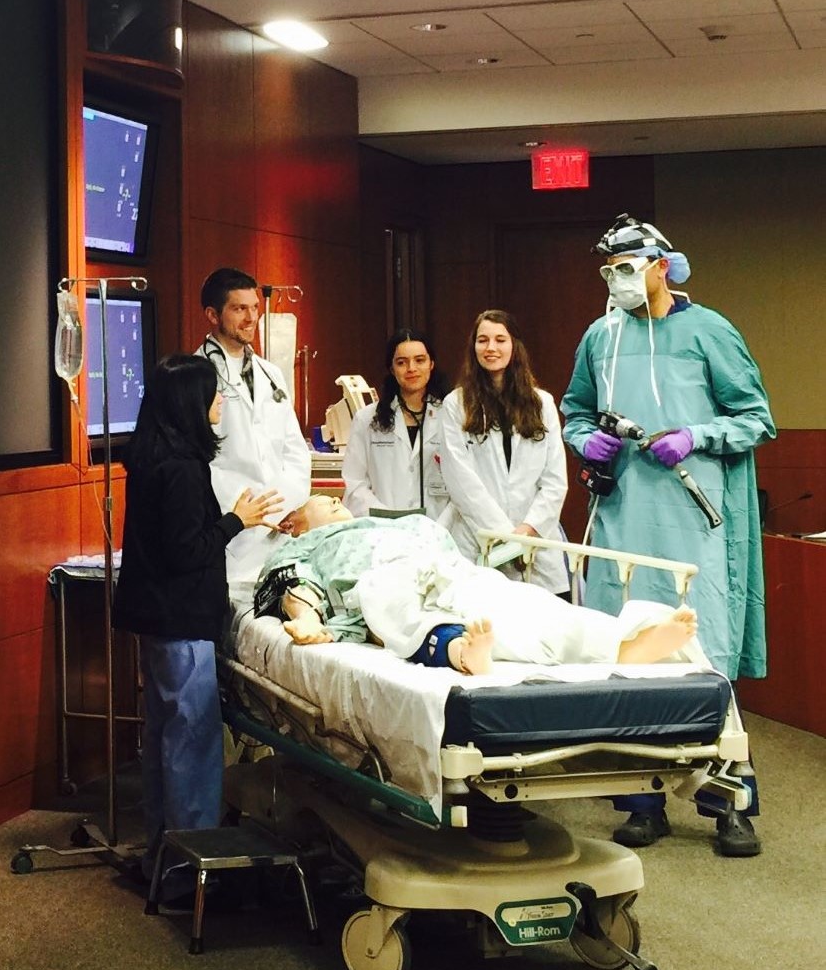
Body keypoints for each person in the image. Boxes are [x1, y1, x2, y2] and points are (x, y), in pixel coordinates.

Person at [561, 212, 776, 857]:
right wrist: (585, 441)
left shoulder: (708, 331)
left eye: (627, 267)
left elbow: (756, 418)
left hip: (693, 520)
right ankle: (642, 800)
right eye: (608, 271)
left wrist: (698, 435)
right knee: (629, 655)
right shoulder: (600, 337)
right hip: (624, 518)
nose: (617, 281)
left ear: (661, 264)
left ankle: (728, 802)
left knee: (700, 655)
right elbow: (576, 409)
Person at [113, 354, 282, 897]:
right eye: (212, 394)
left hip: (157, 617)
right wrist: (238, 519)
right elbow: (189, 551)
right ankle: (191, 875)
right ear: (189, 402)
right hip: (182, 619)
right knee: (192, 743)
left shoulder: (151, 456)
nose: (220, 402)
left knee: (165, 740)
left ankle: (165, 857)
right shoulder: (183, 469)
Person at [255, 496, 702, 675]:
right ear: (299, 527)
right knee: (401, 613)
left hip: (449, 570)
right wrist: (308, 619)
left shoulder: (400, 524)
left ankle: (623, 644)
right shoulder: (310, 545)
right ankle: (462, 655)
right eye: (325, 504)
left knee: (524, 601)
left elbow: (446, 551)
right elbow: (295, 585)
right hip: (380, 580)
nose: (338, 503)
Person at [439, 310, 569, 594]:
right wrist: (504, 536)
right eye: (482, 340)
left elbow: (555, 479)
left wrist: (527, 530)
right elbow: (460, 479)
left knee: (543, 626)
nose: (491, 348)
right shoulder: (456, 404)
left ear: (515, 346)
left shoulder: (542, 403)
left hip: (536, 542)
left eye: (500, 339)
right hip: (480, 539)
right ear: (473, 348)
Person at [196, 268, 311, 585]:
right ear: (212, 314)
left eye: (255, 307)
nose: (251, 318)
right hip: (233, 532)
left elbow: (295, 449)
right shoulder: (197, 375)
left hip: (280, 526)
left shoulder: (271, 373)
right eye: (239, 308)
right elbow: (200, 457)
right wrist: (243, 511)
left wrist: (284, 503)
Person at [342, 328, 451, 519]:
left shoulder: (450, 416)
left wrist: (442, 526)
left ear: (431, 364)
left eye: (420, 360)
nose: (411, 368)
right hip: (382, 529)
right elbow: (354, 484)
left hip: (439, 528)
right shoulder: (367, 419)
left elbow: (462, 484)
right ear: (392, 369)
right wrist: (386, 519)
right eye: (402, 362)